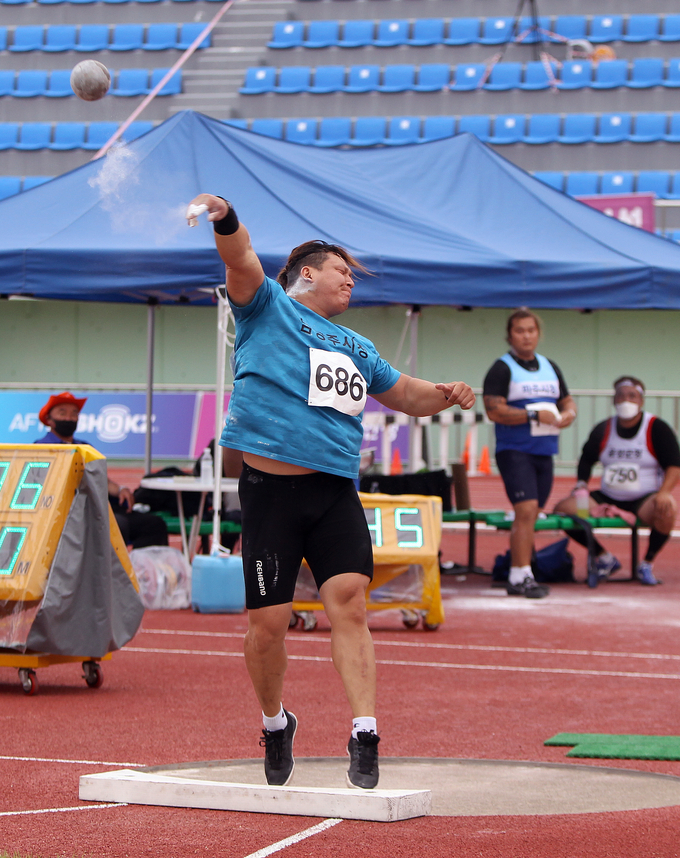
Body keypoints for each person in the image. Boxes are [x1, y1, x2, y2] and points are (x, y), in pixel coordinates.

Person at [185, 193, 475, 790]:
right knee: (268, 626)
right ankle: (274, 723)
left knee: (350, 602)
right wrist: (226, 216)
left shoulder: (359, 347)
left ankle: (365, 732)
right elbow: (240, 261)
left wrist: (447, 392)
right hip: (270, 493)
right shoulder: (267, 308)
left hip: (334, 494)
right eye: (343, 271)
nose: (351, 282)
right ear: (307, 274)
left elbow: (407, 396)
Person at [483, 308, 576, 599]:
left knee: (531, 513)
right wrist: (534, 414)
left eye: (531, 330)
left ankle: (523, 567)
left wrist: (569, 413)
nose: (526, 336)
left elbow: (567, 400)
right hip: (515, 450)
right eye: (520, 331)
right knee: (525, 510)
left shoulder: (551, 366)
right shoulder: (502, 368)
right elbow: (493, 409)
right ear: (510, 335)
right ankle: (519, 574)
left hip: (544, 451)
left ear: (538, 334)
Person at [554, 376, 680, 585]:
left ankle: (646, 563)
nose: (625, 400)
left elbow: (674, 466)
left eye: (631, 396)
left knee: (667, 510)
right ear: (614, 400)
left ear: (641, 400)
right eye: (620, 396)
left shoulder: (656, 427)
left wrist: (665, 492)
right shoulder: (604, 428)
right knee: (565, 509)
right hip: (606, 498)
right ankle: (604, 557)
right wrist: (581, 484)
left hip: (644, 499)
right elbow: (586, 459)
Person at [35, 392, 168, 550]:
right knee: (118, 525)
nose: (69, 418)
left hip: (99, 508)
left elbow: (101, 479)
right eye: (62, 413)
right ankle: (111, 573)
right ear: (49, 419)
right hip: (71, 514)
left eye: (74, 413)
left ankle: (143, 571)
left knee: (154, 524)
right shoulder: (40, 448)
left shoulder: (86, 448)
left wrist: (119, 490)